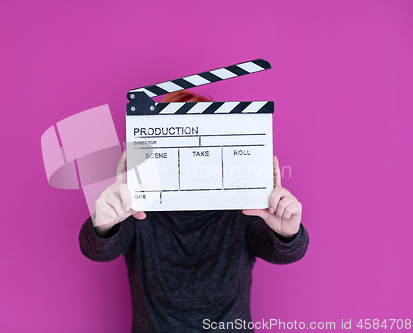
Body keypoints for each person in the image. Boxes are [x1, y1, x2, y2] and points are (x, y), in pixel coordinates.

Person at [79, 90, 309, 333]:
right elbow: (96, 250)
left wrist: (288, 234)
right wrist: (104, 223)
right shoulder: (138, 211)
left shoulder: (243, 209)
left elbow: (285, 254)